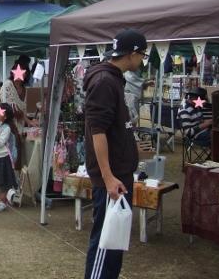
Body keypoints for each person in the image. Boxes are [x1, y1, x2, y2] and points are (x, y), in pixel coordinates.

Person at [83, 29, 147, 279]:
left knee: (114, 246)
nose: (142, 60)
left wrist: (128, 144)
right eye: (142, 55)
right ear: (132, 54)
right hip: (111, 179)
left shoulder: (114, 77)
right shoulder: (104, 81)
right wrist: (108, 177)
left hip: (120, 174)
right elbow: (97, 130)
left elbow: (111, 128)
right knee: (104, 244)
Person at [0, 61, 39, 128]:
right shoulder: (8, 85)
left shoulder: (24, 89)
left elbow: (22, 110)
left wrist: (29, 121)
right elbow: (14, 109)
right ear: (12, 72)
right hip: (5, 125)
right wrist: (29, 121)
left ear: (26, 74)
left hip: (19, 126)